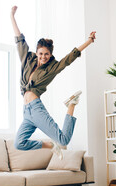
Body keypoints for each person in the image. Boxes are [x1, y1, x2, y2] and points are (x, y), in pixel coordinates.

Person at [10, 6, 96, 160]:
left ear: (50, 55)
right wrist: (12, 16)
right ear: (36, 52)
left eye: (47, 54)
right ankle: (50, 146)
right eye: (41, 53)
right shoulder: (27, 59)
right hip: (26, 112)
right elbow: (19, 39)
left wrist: (88, 41)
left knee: (63, 139)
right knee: (19, 143)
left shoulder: (52, 68)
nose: (43, 57)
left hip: (36, 109)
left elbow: (69, 58)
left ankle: (72, 104)